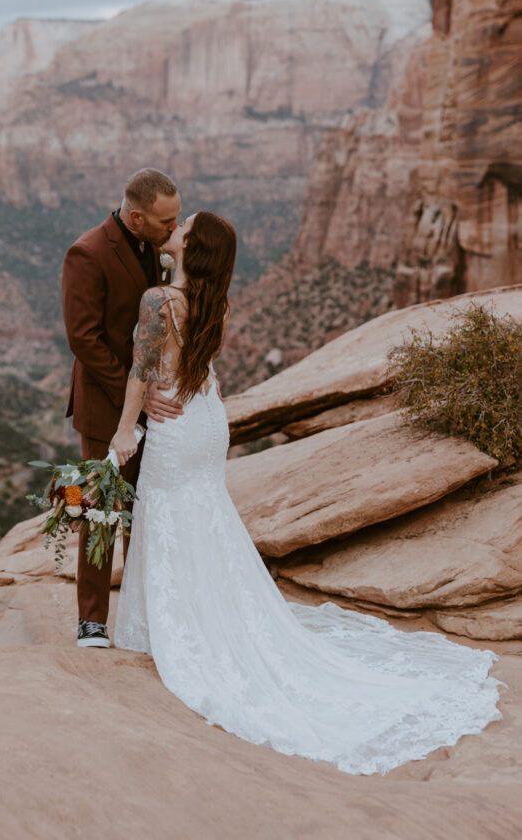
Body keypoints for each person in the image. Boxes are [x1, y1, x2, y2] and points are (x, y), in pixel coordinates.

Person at [110, 210, 503, 776]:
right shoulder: (214, 300)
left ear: (190, 249)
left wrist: (128, 428)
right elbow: (199, 371)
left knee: (173, 516)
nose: (174, 230)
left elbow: (141, 372)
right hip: (206, 422)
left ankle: (177, 629)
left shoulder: (159, 301)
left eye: (183, 228)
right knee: (204, 517)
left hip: (175, 429)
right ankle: (203, 617)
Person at [62, 168, 183, 648]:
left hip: (156, 405)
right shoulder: (87, 252)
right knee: (100, 511)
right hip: (104, 404)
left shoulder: (158, 247)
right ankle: (91, 620)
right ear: (136, 216)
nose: (173, 230)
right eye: (165, 222)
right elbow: (83, 339)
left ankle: (138, 610)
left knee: (144, 509)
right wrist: (135, 393)